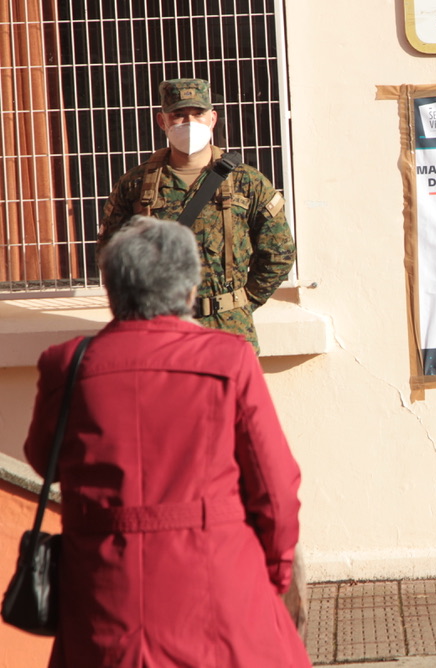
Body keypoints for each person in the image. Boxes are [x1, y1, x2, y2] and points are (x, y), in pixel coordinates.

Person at [24, 217, 311, 667]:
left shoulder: (68, 366)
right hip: (216, 587)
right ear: (190, 291)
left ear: (112, 291)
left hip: (102, 595)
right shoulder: (229, 359)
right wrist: (275, 573)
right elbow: (276, 488)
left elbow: (44, 461)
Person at [97, 78, 296, 353]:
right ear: (162, 121)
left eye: (198, 113)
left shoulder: (247, 182)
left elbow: (279, 253)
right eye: (178, 115)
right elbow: (111, 253)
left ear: (212, 119)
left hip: (229, 329)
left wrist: (242, 302)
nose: (189, 122)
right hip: (159, 330)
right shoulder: (136, 184)